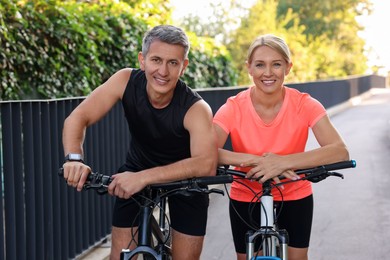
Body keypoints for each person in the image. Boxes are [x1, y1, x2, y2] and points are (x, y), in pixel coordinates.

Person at [62, 25, 218, 260]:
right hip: (136, 169)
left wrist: (143, 177)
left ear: (183, 67)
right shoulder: (125, 80)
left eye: (173, 63)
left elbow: (206, 163)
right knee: (121, 256)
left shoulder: (196, 108)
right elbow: (78, 117)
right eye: (156, 60)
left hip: (187, 181)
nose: (163, 71)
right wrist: (74, 159)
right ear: (142, 60)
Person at [213, 34, 349, 260]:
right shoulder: (233, 107)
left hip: (294, 191)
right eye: (259, 65)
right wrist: (255, 161)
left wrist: (284, 162)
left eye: (276, 64)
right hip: (246, 192)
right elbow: (204, 151)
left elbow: (339, 150)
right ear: (249, 68)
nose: (268, 72)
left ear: (288, 67)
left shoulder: (305, 104)